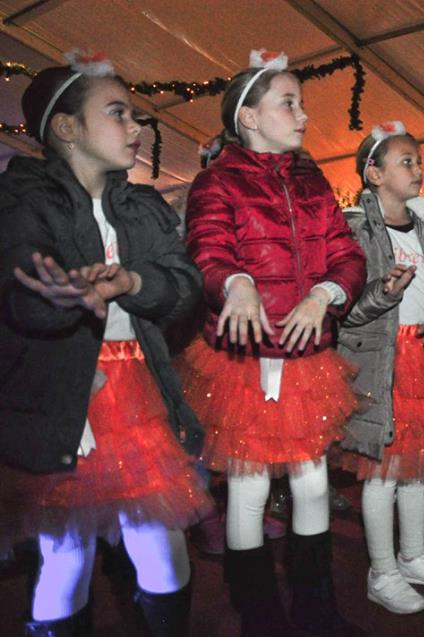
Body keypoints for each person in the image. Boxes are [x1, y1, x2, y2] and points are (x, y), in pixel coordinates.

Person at [0, 52, 211, 635]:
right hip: (65, 396)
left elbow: (185, 284)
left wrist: (135, 282)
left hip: (136, 395)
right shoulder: (22, 198)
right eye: (118, 113)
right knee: (66, 555)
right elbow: (19, 291)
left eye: (135, 115)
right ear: (67, 128)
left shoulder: (141, 205)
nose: (136, 126)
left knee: (163, 549)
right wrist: (60, 296)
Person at [180, 50, 366, 633]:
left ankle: (317, 611)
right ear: (249, 117)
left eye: (301, 104)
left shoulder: (313, 182)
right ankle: (259, 617)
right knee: (249, 485)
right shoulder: (216, 181)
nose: (304, 116)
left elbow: (347, 254)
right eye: (289, 103)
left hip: (306, 357)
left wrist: (325, 294)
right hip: (247, 358)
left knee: (312, 480)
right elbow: (207, 250)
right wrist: (236, 284)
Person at [337, 122, 424, 614]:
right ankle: (382, 571)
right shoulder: (353, 229)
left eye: (419, 161)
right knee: (383, 471)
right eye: (406, 162)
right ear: (374, 174)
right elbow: (344, 308)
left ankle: (413, 555)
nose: (418, 170)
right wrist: (383, 294)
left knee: (420, 465)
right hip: (380, 361)